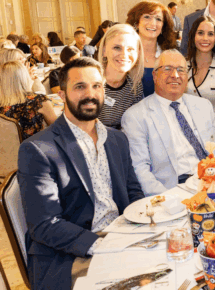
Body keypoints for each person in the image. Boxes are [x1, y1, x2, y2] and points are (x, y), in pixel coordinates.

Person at [18, 57, 144, 290]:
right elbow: (45, 224)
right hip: (68, 254)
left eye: (97, 86)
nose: (90, 94)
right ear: (62, 95)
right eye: (80, 87)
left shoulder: (117, 139)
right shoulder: (38, 149)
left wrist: (145, 225)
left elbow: (132, 192)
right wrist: (104, 245)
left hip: (120, 239)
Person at [122, 50, 215, 196]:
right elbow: (140, 169)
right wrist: (168, 200)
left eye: (181, 70)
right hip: (175, 189)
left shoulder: (203, 105)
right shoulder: (135, 116)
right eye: (167, 69)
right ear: (155, 76)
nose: (175, 75)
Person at [96, 24, 145, 130]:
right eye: (117, 48)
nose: (124, 54)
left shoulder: (135, 86)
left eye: (130, 49)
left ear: (138, 53)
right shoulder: (91, 82)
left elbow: (135, 126)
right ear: (104, 51)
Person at [126, 1, 178, 97]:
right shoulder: (124, 54)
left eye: (158, 19)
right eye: (147, 17)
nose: (153, 23)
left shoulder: (172, 57)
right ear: (136, 23)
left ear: (163, 26)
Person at [0, 61, 56, 139]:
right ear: (25, 77)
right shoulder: (38, 101)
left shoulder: (2, 105)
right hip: (36, 149)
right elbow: (58, 130)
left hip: (5, 150)